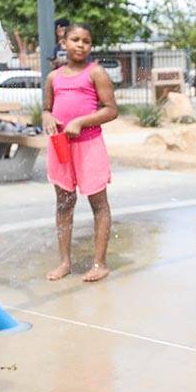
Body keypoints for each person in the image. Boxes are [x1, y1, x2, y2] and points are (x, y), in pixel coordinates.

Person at [42, 22, 117, 283]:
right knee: (64, 204)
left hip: (89, 145)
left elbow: (111, 109)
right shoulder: (54, 77)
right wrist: (47, 117)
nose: (80, 45)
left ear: (90, 45)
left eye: (86, 41)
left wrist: (82, 122)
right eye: (75, 39)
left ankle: (100, 262)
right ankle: (64, 261)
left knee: (98, 204)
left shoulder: (96, 73)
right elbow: (46, 108)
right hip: (61, 146)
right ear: (64, 43)